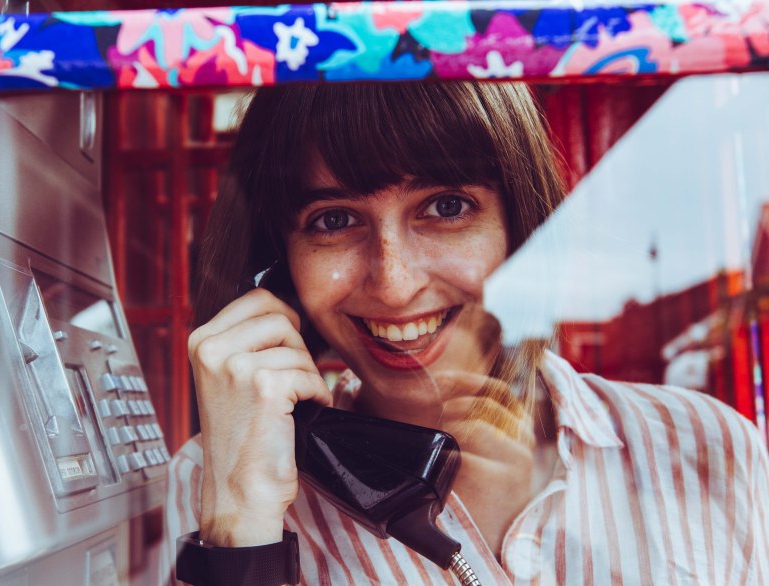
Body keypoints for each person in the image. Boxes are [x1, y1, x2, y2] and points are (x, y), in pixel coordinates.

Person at [165, 82, 769, 585]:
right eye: (334, 220)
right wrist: (240, 539)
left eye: (447, 207)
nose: (395, 285)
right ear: (279, 272)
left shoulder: (707, 446)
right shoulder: (214, 481)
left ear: (522, 225)